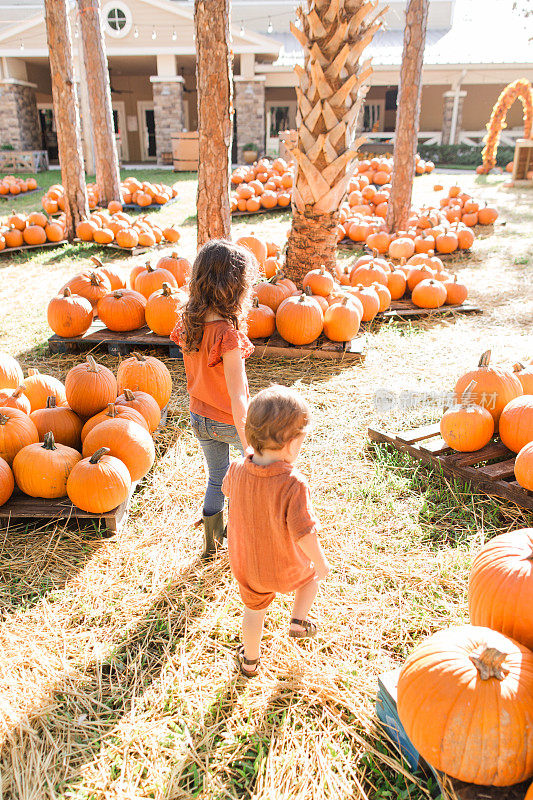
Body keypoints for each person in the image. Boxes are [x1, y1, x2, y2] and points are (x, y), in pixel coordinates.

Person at [222, 385, 330, 677]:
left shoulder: (235, 469)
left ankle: (250, 662)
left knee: (253, 612)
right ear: (293, 444)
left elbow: (226, 489)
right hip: (286, 570)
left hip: (249, 569)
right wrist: (321, 564)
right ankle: (297, 620)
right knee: (311, 577)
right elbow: (305, 533)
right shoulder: (293, 484)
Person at [170, 239, 257, 557]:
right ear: (236, 288)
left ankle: (211, 544)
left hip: (199, 417)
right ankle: (240, 538)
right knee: (248, 477)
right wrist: (248, 443)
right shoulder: (228, 337)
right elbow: (238, 396)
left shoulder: (187, 326)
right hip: (228, 420)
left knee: (218, 476)